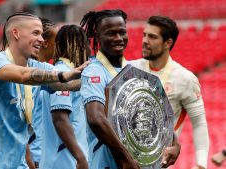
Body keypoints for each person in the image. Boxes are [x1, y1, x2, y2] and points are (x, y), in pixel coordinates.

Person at [0, 12, 88, 169]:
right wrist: (65, 75)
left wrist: (92, 80)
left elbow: (65, 84)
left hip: (18, 164)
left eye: (42, 34)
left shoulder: (38, 67)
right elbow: (23, 75)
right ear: (16, 33)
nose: (42, 40)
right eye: (36, 33)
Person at [80, 10, 181, 169]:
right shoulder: (94, 71)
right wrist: (126, 158)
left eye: (122, 32)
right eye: (111, 33)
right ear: (98, 37)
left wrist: (175, 142)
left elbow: (158, 114)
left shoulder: (134, 69)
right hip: (107, 164)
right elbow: (95, 118)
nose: (118, 38)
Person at [128, 16, 209, 169]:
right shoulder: (129, 69)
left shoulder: (185, 79)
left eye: (152, 37)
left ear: (168, 43)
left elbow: (199, 123)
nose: (145, 40)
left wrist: (201, 165)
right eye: (144, 35)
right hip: (123, 162)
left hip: (157, 164)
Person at [39, 24, 90, 169]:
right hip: (64, 161)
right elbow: (60, 118)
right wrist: (80, 158)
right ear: (78, 45)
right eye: (86, 43)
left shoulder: (66, 72)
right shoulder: (61, 71)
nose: (89, 49)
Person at [26, 17, 60, 169]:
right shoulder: (25, 71)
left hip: (44, 154)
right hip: (33, 155)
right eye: (58, 41)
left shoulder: (50, 71)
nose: (61, 46)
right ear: (45, 43)